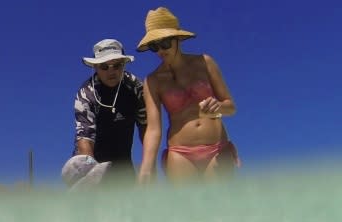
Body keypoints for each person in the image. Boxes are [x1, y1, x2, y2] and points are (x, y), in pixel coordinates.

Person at [135, 7, 240, 184]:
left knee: (223, 207)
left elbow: (231, 107)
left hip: (217, 148)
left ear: (177, 39)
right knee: (189, 209)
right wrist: (146, 168)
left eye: (165, 43)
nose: (160, 50)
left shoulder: (205, 62)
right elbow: (153, 129)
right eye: (154, 46)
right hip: (180, 153)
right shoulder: (153, 81)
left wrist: (218, 107)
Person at [73, 39, 147, 183]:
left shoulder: (137, 87)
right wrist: (92, 177)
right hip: (89, 162)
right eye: (104, 66)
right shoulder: (86, 94)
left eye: (117, 65)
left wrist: (148, 165)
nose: (111, 71)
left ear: (124, 64)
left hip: (123, 164)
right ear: (96, 67)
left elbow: (146, 126)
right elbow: (84, 139)